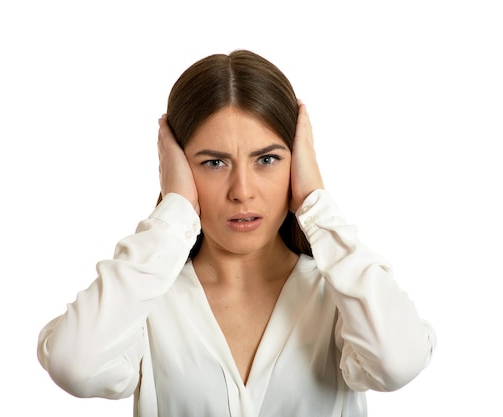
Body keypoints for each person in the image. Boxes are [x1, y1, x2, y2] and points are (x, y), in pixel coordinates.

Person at [37, 49, 436, 417]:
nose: (242, 191)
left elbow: (397, 363)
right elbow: (74, 365)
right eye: (213, 163)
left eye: (267, 159)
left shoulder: (342, 295)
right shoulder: (144, 299)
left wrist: (316, 203)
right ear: (178, 169)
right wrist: (174, 211)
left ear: (298, 163)